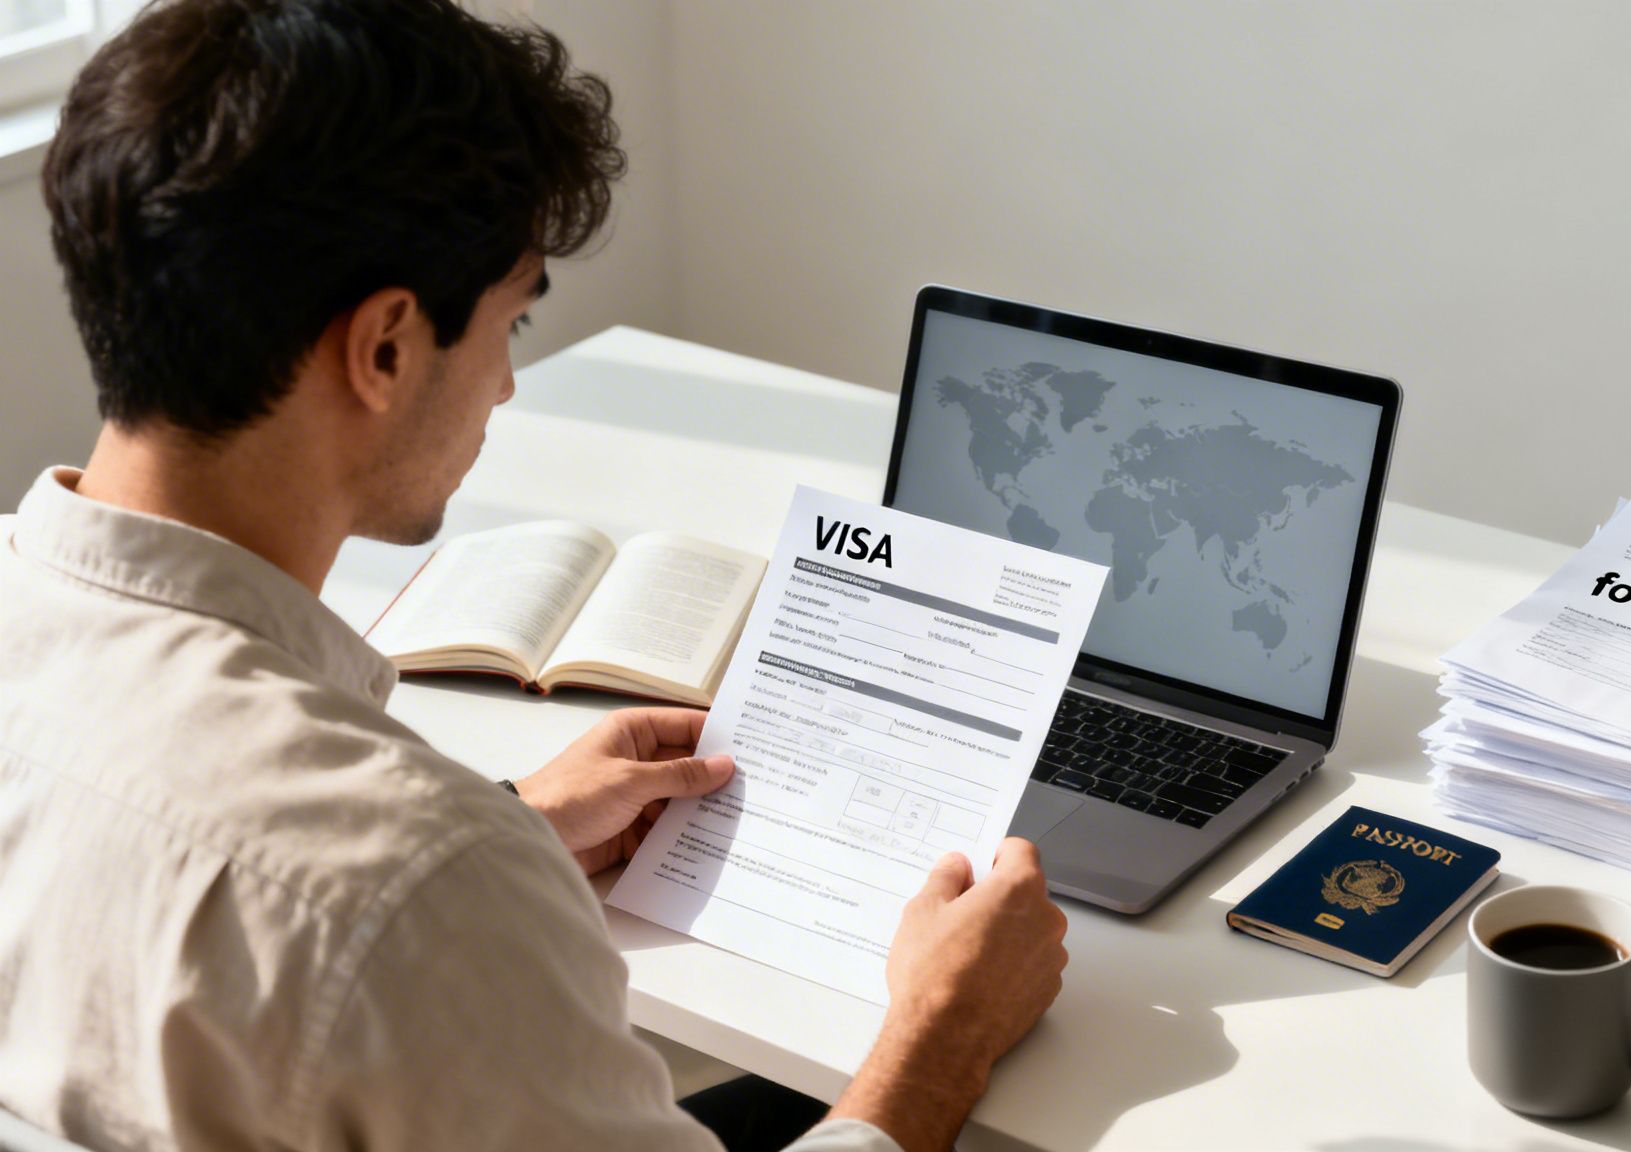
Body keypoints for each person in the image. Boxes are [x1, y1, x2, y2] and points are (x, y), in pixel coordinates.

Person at [0, 2, 1067, 1151]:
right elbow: (365, 905)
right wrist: (942, 1029)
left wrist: (515, 825)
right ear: (387, 347)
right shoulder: (415, 892)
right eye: (511, 323)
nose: (506, 387)